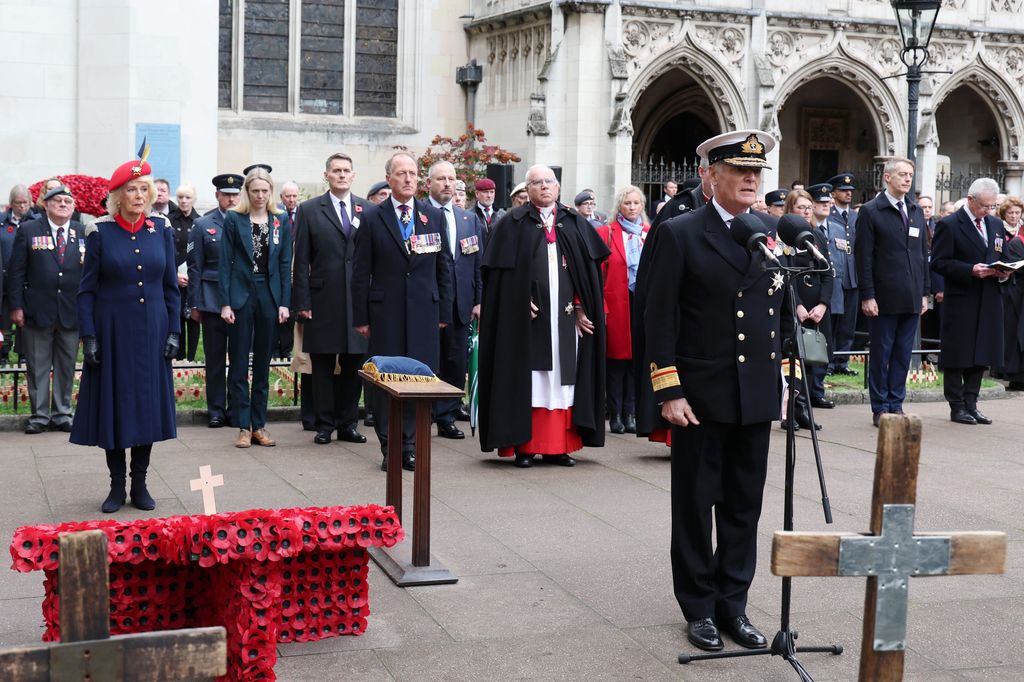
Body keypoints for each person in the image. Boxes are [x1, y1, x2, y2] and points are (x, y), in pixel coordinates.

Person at [643, 129, 781, 653]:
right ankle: (698, 607)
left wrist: (780, 380)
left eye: (757, 172)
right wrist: (668, 388)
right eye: (740, 171)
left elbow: (774, 316)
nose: (751, 179)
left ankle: (734, 604)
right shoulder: (679, 232)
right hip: (699, 396)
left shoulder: (764, 231)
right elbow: (658, 317)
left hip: (753, 394)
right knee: (697, 505)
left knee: (744, 505)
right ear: (710, 175)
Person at [478, 164, 608, 468]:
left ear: (558, 187)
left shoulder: (574, 223)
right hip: (528, 324)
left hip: (565, 319)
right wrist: (517, 300)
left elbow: (589, 274)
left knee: (564, 381)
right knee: (532, 380)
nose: (544, 187)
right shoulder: (512, 224)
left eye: (549, 182)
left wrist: (580, 305)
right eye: (537, 183)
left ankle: (560, 446)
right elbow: (497, 280)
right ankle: (525, 446)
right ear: (527, 189)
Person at [71, 154, 179, 513]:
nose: (138, 195)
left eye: (143, 189)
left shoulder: (161, 229)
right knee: (114, 408)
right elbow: (87, 290)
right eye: (131, 189)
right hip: (112, 331)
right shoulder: (100, 233)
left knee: (147, 408)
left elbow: (170, 288)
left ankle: (141, 483)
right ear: (118, 196)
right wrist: (89, 336)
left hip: (153, 331)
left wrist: (174, 330)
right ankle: (117, 486)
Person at [351, 151, 454, 472]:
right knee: (386, 382)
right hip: (386, 315)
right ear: (390, 178)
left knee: (418, 382)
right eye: (401, 174)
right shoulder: (372, 217)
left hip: (425, 313)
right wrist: (361, 318)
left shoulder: (431, 217)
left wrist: (444, 312)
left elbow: (444, 266)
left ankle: (409, 446)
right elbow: (359, 271)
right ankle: (389, 445)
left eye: (412, 173)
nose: (408, 179)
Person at [292, 152, 370, 446]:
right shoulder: (310, 209)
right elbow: (301, 261)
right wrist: (302, 303)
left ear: (353, 175)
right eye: (336, 170)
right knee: (323, 365)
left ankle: (348, 423)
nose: (341, 175)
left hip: (357, 300)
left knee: (354, 364)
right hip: (322, 298)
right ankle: (324, 424)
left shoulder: (366, 209)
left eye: (346, 170)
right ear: (326, 175)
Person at [219, 168, 292, 448]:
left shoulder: (280, 220)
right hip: (240, 295)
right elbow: (225, 262)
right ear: (247, 193)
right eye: (255, 191)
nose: (260, 196)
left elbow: (286, 263)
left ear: (270, 192)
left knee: (263, 362)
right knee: (239, 362)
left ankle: (259, 425)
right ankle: (242, 426)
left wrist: (284, 302)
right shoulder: (235, 220)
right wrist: (225, 302)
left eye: (265, 191)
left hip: (270, 295)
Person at [854, 158, 930, 426]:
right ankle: (880, 407)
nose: (907, 179)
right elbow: (863, 257)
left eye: (910, 174)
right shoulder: (872, 211)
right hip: (883, 296)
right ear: (887, 177)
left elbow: (922, 254)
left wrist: (925, 292)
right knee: (882, 353)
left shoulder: (915, 210)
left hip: (911, 296)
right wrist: (867, 294)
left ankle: (896, 403)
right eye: (902, 174)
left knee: (902, 354)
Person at [7, 184, 84, 434]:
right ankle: (39, 415)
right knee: (38, 364)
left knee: (66, 364)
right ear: (46, 205)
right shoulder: (29, 229)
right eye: (57, 201)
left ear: (73, 207)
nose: (63, 204)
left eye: (68, 201)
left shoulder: (82, 232)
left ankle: (62, 413)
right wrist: (16, 305)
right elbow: (16, 271)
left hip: (71, 310)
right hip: (37, 310)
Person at [931, 178, 1005, 425]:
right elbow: (939, 262)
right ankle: (957, 405)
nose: (988, 211)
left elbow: (997, 254)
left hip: (989, 297)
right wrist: (969, 269)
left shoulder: (994, 224)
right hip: (963, 297)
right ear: (971, 200)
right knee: (958, 354)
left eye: (992, 206)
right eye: (985, 205)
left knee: (981, 352)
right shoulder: (950, 224)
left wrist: (1003, 271)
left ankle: (972, 403)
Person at [426, 161, 483, 439]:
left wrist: (478, 300)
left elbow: (477, 262)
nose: (447, 184)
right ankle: (424, 414)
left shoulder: (467, 219)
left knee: (455, 362)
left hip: (462, 303)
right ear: (429, 184)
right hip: (429, 304)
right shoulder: (420, 214)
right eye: (441, 179)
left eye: (451, 179)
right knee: (429, 363)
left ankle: (447, 416)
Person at [188, 174, 243, 427]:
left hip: (241, 299)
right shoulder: (202, 225)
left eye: (235, 194)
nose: (231, 199)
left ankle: (236, 408)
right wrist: (194, 303)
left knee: (240, 358)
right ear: (217, 196)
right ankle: (217, 410)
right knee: (215, 358)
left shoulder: (249, 220)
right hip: (211, 300)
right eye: (226, 194)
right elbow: (195, 267)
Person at [595, 185, 648, 435]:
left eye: (636, 203)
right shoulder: (606, 233)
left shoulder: (648, 233)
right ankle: (615, 413)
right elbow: (598, 275)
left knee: (636, 362)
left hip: (640, 304)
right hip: (616, 306)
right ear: (619, 206)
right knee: (616, 363)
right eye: (627, 203)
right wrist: (601, 308)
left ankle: (631, 412)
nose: (632, 207)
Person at [791, 184, 835, 421]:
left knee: (812, 360)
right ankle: (790, 409)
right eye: (801, 207)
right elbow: (782, 274)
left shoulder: (817, 235)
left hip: (816, 307)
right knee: (792, 360)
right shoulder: (782, 235)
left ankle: (804, 408)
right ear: (792, 209)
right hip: (794, 305)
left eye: (809, 207)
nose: (807, 212)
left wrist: (823, 304)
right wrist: (796, 304)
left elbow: (828, 272)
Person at [825, 173, 859, 376]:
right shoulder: (829, 214)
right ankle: (828, 361)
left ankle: (842, 361)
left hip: (852, 274)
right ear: (834, 193)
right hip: (835, 273)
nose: (848, 194)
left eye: (850, 191)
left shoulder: (856, 216)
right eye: (844, 190)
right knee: (833, 320)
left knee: (848, 323)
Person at [1, 185, 33, 364]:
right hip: (5, 282)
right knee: (3, 321)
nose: (22, 206)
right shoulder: (2, 222)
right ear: (11, 204)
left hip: (26, 283)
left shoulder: (36, 221)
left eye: (25, 202)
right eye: (18, 203)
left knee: (24, 322)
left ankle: (23, 354)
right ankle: (3, 354)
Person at [168, 183, 200, 361]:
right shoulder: (170, 220)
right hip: (174, 277)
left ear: (193, 199)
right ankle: (178, 357)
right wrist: (174, 275)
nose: (183, 201)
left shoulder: (200, 221)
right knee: (178, 316)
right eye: (180, 197)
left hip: (193, 278)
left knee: (193, 318)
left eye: (187, 197)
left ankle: (192, 358)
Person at [652, 159, 710, 229]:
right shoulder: (674, 204)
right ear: (701, 172)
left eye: (675, 187)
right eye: (713, 172)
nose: (674, 189)